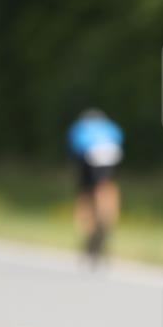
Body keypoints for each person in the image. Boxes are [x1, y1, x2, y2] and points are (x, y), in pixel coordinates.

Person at [67, 108, 124, 259]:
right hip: (112, 154)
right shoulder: (110, 126)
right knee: (107, 186)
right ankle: (107, 217)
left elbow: (75, 149)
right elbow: (119, 139)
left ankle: (88, 226)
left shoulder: (80, 127)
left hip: (89, 154)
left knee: (85, 193)